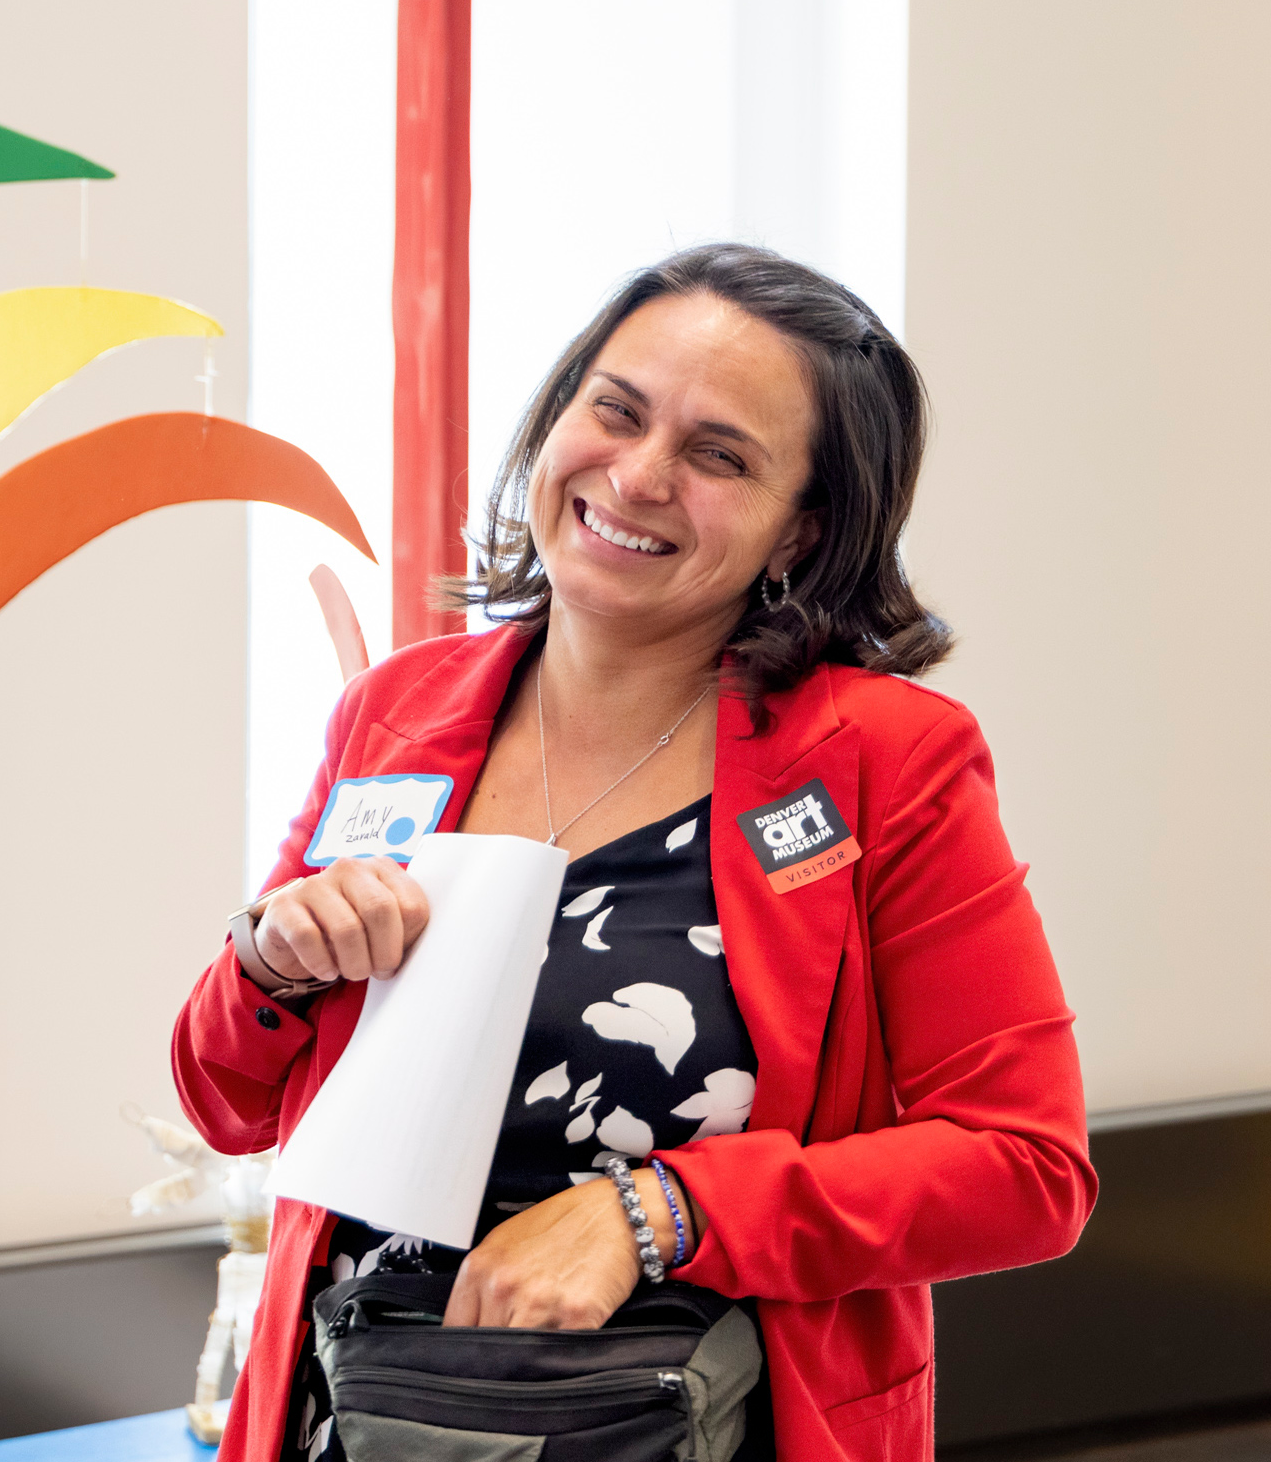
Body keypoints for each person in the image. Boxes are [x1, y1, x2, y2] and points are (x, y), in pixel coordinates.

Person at [172, 244, 1094, 1461]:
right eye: (614, 410)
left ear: (798, 531)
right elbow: (226, 1099)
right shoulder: (394, 711)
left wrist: (656, 1210)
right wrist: (276, 956)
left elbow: (1025, 1166)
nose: (640, 474)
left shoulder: (887, 760)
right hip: (363, 1414)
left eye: (720, 455)